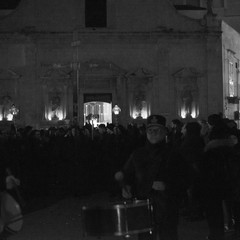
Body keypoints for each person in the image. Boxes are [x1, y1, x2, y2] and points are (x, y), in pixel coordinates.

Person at [115, 115, 190, 240]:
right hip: (144, 206)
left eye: (157, 130)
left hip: (167, 206)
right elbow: (127, 173)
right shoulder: (138, 154)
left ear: (164, 132)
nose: (153, 133)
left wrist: (168, 185)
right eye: (150, 130)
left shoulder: (174, 154)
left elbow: (187, 178)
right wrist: (126, 186)